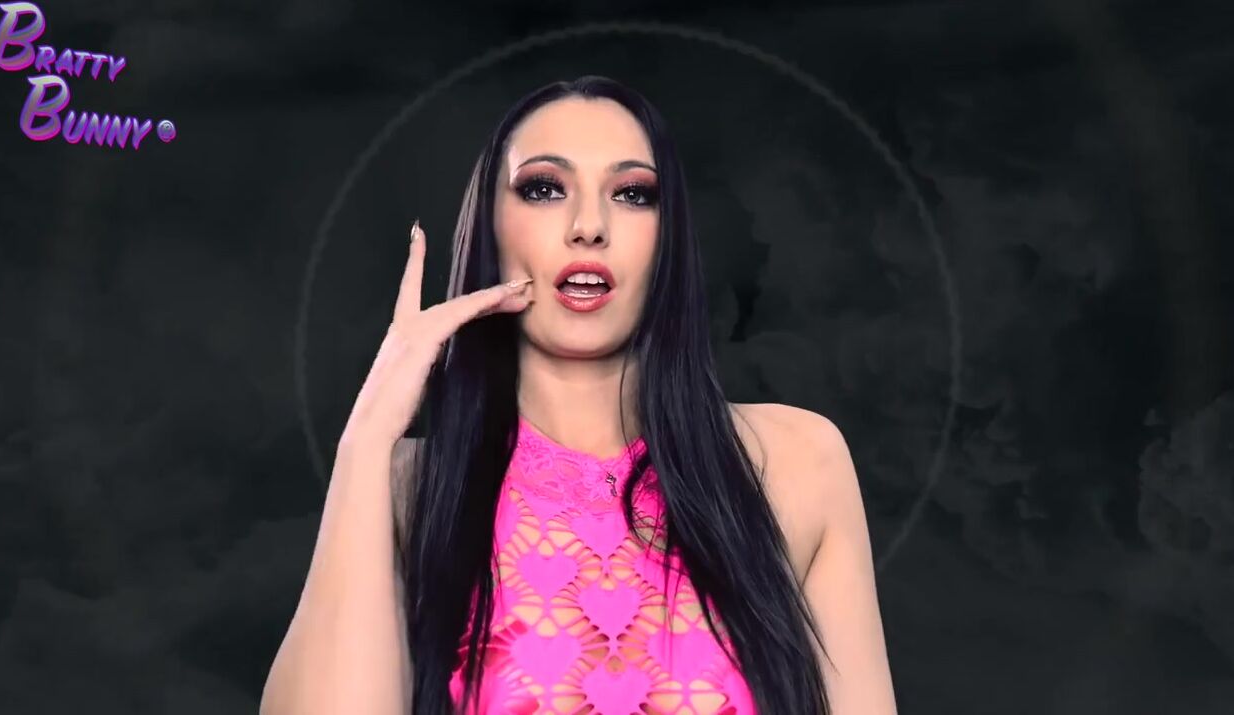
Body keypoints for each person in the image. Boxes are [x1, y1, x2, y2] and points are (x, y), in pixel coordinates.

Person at [261, 75, 898, 714]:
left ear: (669, 238)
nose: (589, 226)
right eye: (544, 188)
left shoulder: (796, 462)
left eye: (632, 194)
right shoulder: (407, 487)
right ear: (489, 228)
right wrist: (367, 438)